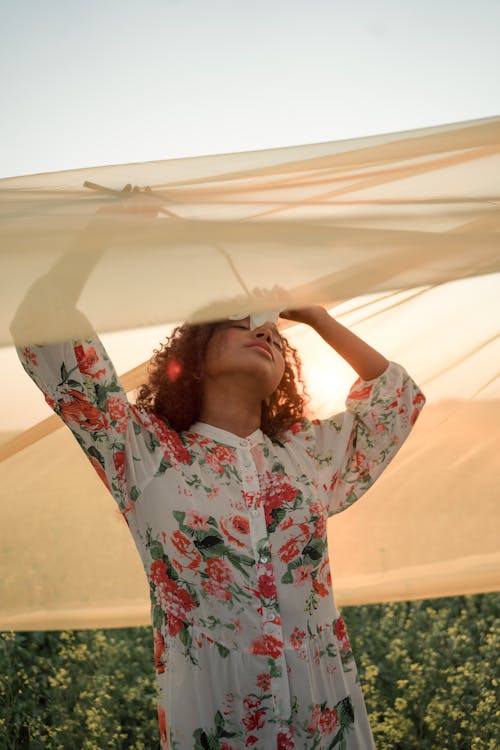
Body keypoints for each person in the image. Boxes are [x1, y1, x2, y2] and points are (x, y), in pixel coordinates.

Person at [11, 192, 426, 750]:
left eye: (278, 338)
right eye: (241, 325)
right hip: (214, 723)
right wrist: (102, 232)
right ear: (197, 354)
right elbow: (42, 328)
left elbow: (392, 402)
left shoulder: (305, 455)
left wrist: (317, 316)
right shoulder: (144, 453)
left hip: (326, 719)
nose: (266, 335)